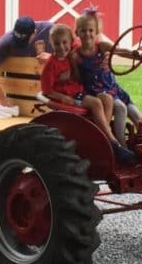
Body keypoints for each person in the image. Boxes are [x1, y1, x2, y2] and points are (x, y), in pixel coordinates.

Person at [41, 23, 135, 163]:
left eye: (64, 42)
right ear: (51, 43)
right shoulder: (51, 65)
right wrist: (63, 97)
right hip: (70, 98)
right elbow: (47, 90)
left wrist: (107, 54)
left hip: (81, 92)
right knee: (96, 103)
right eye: (56, 43)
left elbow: (92, 44)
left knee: (107, 99)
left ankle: (104, 136)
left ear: (71, 42)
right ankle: (111, 142)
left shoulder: (73, 53)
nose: (61, 47)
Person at [73, 11, 142, 141]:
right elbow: (77, 78)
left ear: (96, 31)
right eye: (83, 30)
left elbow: (121, 51)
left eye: (90, 30)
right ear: (77, 32)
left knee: (137, 116)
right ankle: (120, 144)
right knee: (121, 108)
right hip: (96, 92)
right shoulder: (76, 55)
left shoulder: (102, 47)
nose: (87, 33)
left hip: (113, 89)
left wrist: (136, 55)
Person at [0, 15, 55, 116]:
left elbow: (71, 53)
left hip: (45, 93)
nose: (19, 46)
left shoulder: (50, 30)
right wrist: (2, 101)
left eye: (23, 42)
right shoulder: (6, 42)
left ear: (34, 33)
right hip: (18, 95)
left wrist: (52, 58)